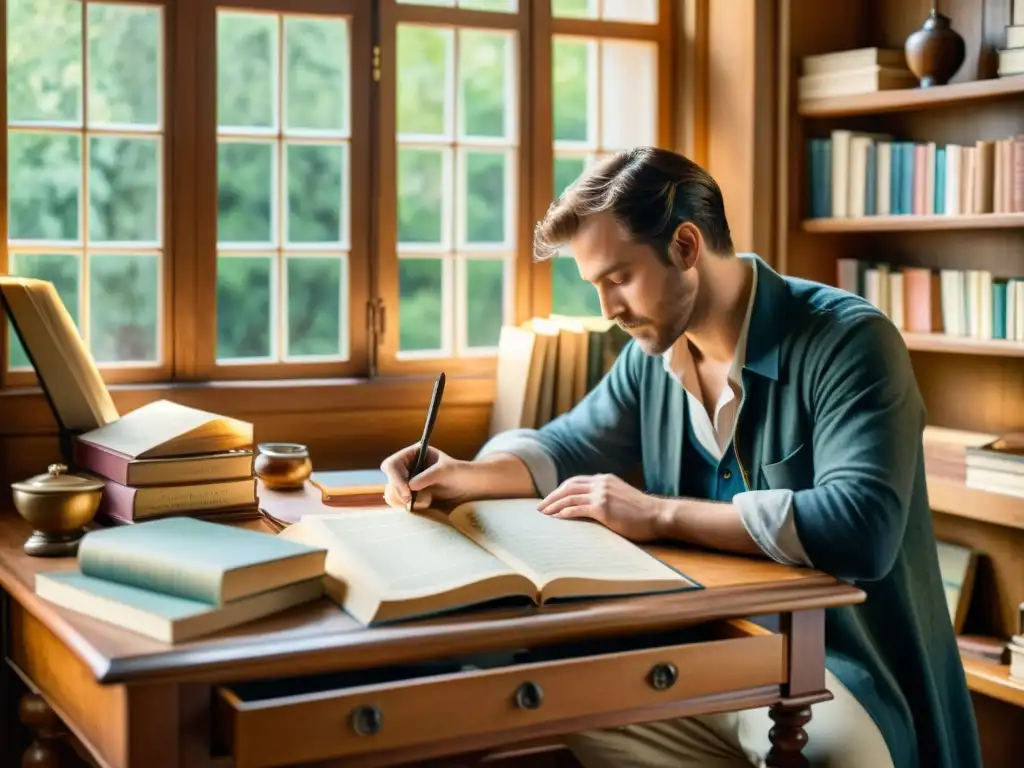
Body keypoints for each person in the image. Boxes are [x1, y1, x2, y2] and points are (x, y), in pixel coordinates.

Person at [380, 147, 982, 768]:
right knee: (547, 715)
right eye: (597, 287)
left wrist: (658, 515)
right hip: (703, 654)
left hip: (839, 670)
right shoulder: (653, 360)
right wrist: (462, 475)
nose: (608, 311)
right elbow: (566, 444)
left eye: (618, 278)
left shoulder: (850, 341)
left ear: (687, 247)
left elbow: (864, 527)